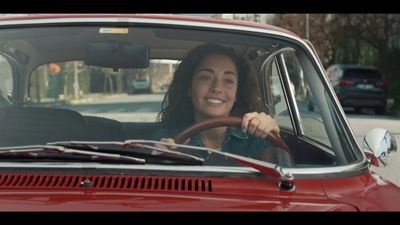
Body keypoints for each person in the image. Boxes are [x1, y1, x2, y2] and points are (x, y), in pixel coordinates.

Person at [153, 43, 282, 161]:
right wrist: (158, 161)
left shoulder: (255, 139)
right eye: (205, 78)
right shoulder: (168, 140)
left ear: (237, 93)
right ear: (189, 88)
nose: (217, 88)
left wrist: (272, 136)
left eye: (228, 81)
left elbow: (282, 177)